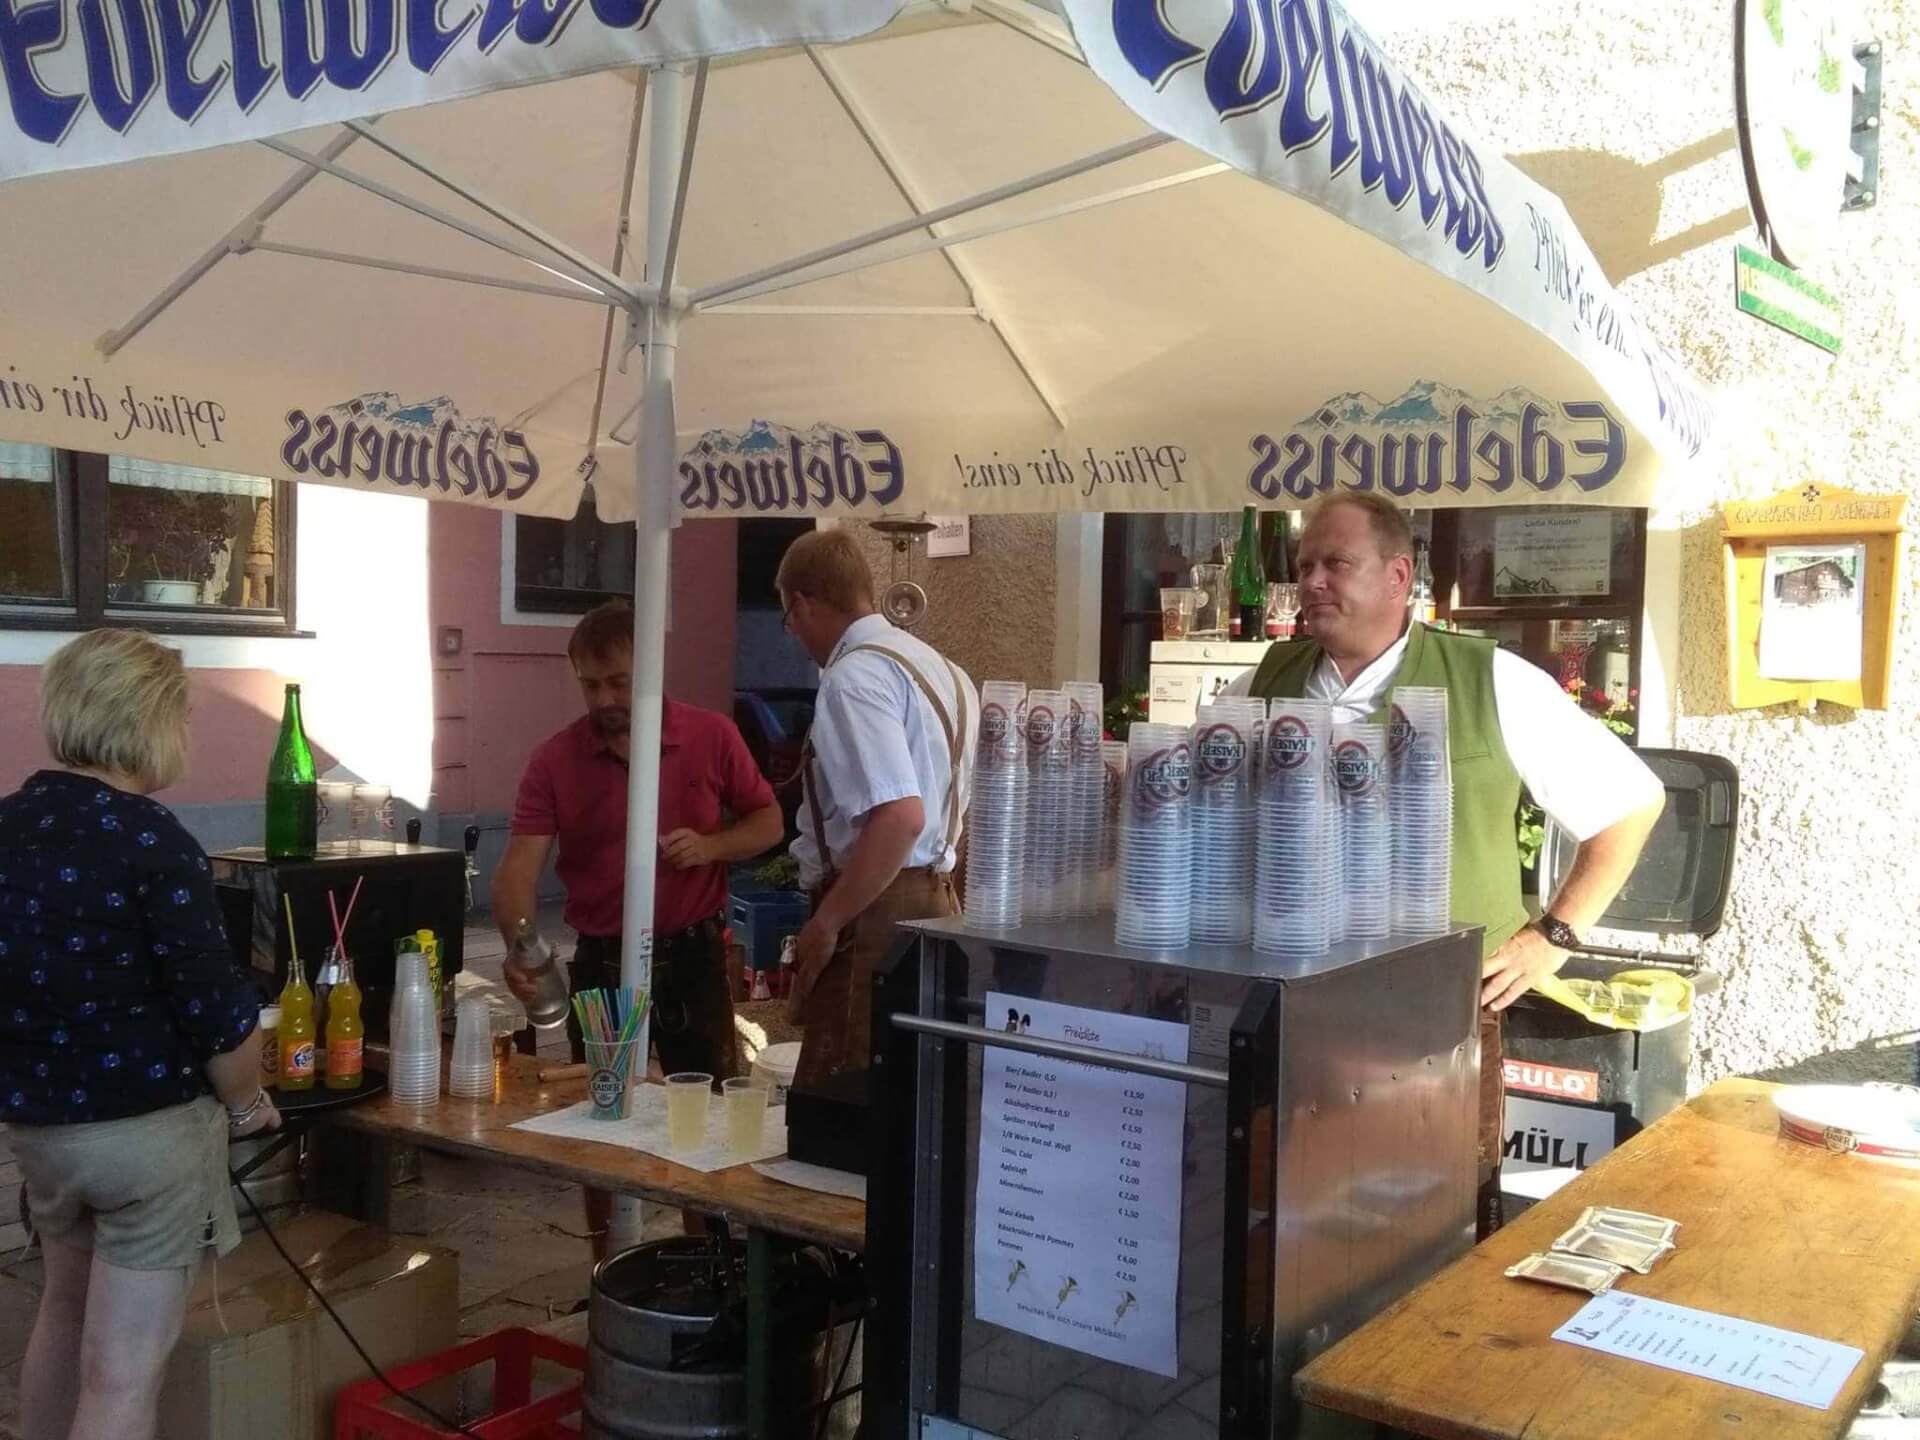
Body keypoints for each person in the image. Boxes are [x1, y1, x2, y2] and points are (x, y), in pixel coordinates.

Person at [1227, 494, 1665, 1233]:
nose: (1312, 583)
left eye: (1336, 563)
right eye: (1304, 566)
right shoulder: (1266, 680)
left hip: (1438, 1020)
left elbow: (1631, 802)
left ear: (1398, 576)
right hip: (1292, 1004)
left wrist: (1553, 937)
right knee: (1290, 1223)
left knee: (1432, 1228)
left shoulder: (1490, 680)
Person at [0, 628, 279, 1440]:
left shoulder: (7, 826)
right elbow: (217, 1015)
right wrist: (249, 1105)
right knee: (122, 1375)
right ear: (150, 721)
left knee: (61, 1316)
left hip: (41, 1131)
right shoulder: (154, 840)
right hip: (146, 1141)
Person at [494, 600, 782, 1252]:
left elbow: (768, 822)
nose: (604, 700)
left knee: (704, 1116)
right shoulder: (555, 759)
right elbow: (516, 873)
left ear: (650, 669)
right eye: (590, 685)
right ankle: (608, 1265)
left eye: (619, 682)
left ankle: (710, 1261)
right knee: (603, 1117)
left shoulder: (710, 736)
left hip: (692, 954)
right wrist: (519, 944)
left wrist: (711, 847)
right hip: (602, 959)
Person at [776, 530, 979, 1087]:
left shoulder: (852, 678)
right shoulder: (946, 670)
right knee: (914, 1092)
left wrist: (827, 922)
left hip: (873, 912)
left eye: (790, 621)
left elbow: (901, 818)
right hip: (937, 899)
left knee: (843, 1097)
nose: (796, 636)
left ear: (803, 605)